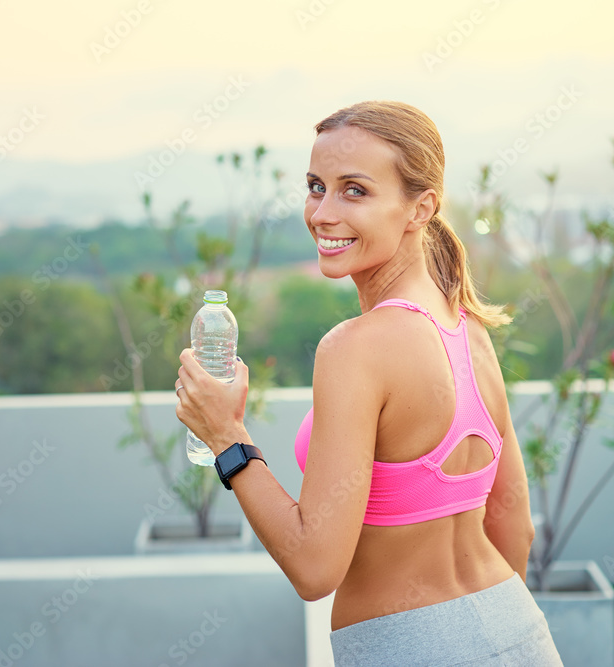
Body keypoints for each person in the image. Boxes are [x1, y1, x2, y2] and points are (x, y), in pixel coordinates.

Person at [175, 100, 563, 666]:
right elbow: (513, 524)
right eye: (316, 186)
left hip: (412, 649)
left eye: (354, 190)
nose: (323, 213)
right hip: (517, 630)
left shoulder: (355, 348)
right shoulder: (468, 329)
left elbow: (314, 569)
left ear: (420, 207)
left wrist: (226, 437)